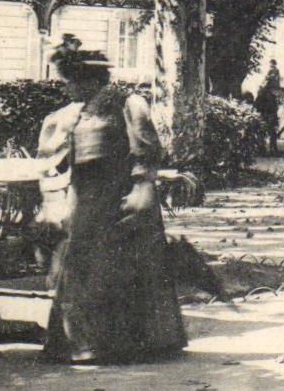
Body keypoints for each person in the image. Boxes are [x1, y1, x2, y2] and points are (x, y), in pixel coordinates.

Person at [38, 44, 185, 364]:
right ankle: (83, 344)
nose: (68, 88)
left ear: (90, 80)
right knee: (83, 268)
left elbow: (146, 149)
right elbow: (67, 154)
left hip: (121, 198)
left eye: (71, 82)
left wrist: (142, 187)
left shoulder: (128, 104)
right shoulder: (78, 111)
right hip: (86, 199)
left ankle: (136, 345)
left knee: (122, 269)